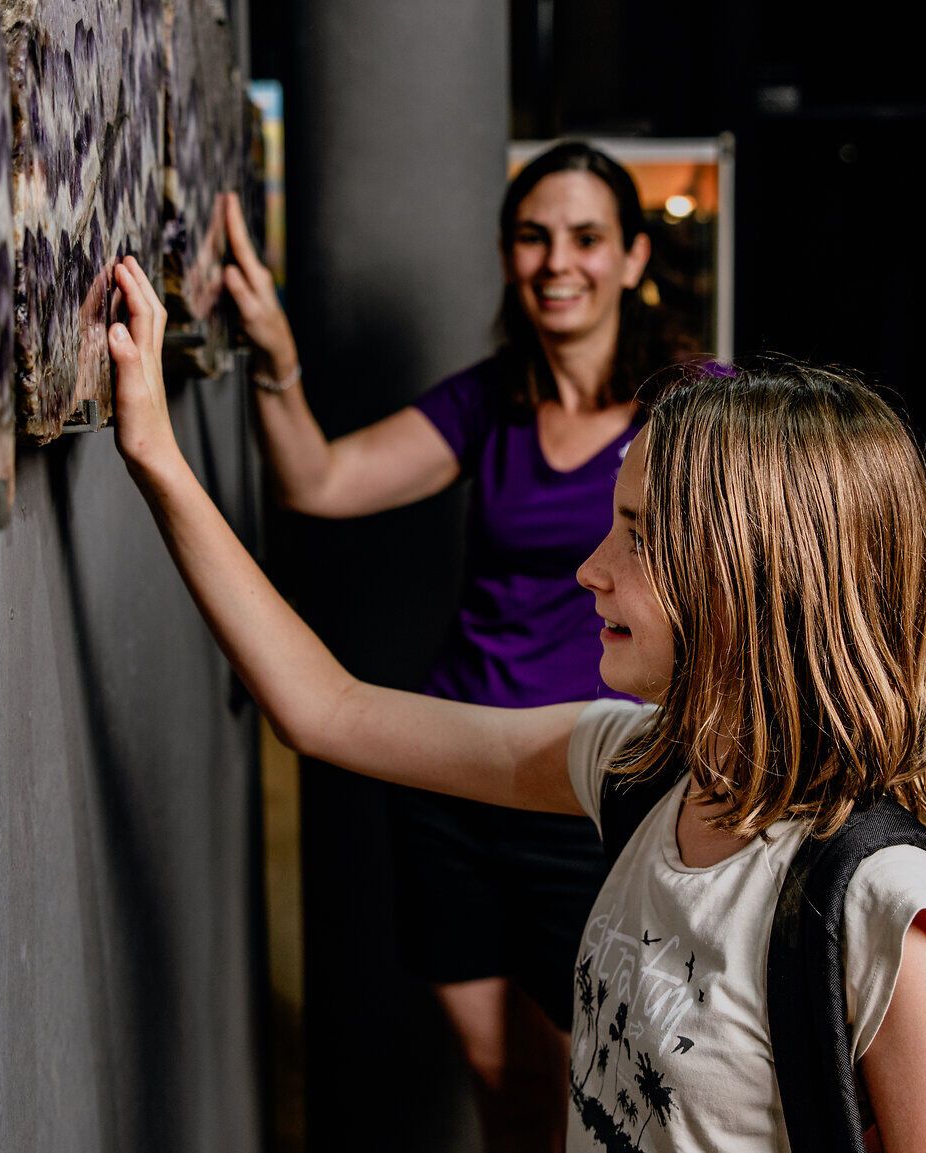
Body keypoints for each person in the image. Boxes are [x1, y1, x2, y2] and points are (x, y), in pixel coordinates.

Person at [104, 262, 926, 1152]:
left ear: (753, 582)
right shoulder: (636, 767)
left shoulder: (881, 906)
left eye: (638, 537)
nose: (589, 569)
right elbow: (327, 710)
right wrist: (158, 461)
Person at [214, 141, 696, 1149]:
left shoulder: (695, 409)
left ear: (633, 257)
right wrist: (274, 354)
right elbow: (320, 482)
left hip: (595, 786)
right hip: (454, 779)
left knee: (592, 1079)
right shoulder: (491, 398)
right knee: (496, 1068)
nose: (557, 262)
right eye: (533, 237)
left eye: (587, 238)